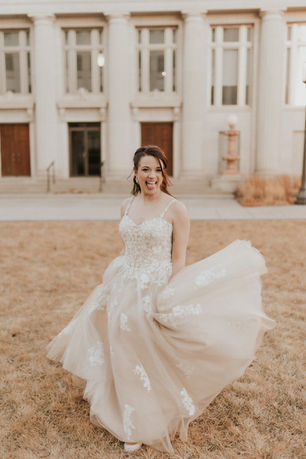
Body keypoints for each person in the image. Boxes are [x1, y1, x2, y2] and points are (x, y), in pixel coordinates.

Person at [46, 145, 275, 454]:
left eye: (157, 170)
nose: (151, 176)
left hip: (157, 283)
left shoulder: (175, 209)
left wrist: (166, 293)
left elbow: (178, 258)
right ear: (136, 173)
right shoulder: (126, 205)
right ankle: (124, 407)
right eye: (145, 170)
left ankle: (142, 420)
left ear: (163, 173)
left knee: (143, 344)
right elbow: (129, 247)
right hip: (124, 281)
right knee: (118, 342)